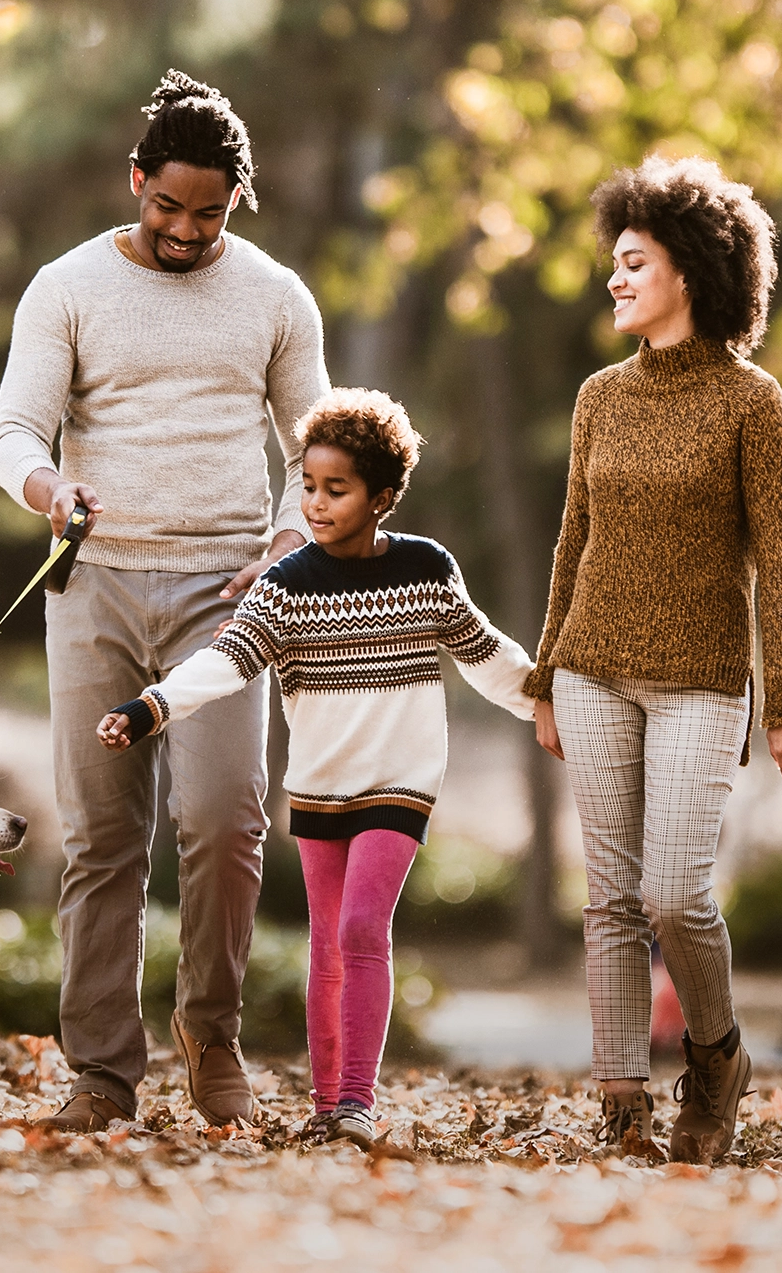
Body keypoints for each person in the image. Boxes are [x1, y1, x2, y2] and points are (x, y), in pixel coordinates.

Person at [0, 71, 330, 1131]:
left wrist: (284, 542)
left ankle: (212, 1032)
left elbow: (315, 448)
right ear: (134, 181)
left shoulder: (274, 296)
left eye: (207, 214)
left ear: (238, 201)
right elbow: (13, 436)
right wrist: (52, 490)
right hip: (93, 585)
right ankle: (100, 1069)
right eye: (165, 206)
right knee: (100, 835)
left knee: (224, 821)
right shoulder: (67, 286)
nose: (183, 230)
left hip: (225, 600)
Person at [96, 389, 538, 1148]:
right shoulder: (288, 584)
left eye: (337, 490)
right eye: (307, 486)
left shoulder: (426, 569)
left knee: (365, 926)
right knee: (328, 941)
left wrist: (551, 704)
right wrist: (151, 707)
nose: (317, 503)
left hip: (399, 782)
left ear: (383, 497)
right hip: (319, 785)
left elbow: (487, 654)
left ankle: (357, 1103)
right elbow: (226, 662)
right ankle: (328, 1107)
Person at [528, 156, 782, 1164]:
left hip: (701, 680)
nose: (612, 281)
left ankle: (714, 1054)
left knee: (673, 896)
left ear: (688, 271)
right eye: (612, 263)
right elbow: (572, 541)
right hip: (590, 669)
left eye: (630, 263)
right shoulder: (598, 397)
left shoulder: (750, 404)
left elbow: (779, 562)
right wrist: (541, 677)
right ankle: (620, 1108)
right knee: (607, 898)